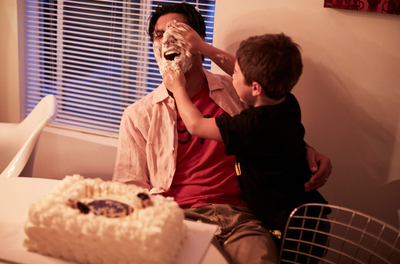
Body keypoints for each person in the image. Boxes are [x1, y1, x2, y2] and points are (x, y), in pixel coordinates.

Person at [112, 3, 332, 264]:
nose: (167, 40)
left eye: (179, 31)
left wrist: (307, 151)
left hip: (241, 215)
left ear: (196, 40)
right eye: (159, 35)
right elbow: (128, 188)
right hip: (178, 216)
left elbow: (271, 126)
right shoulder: (138, 115)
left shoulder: (235, 90)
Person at [164, 32, 331, 262]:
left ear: (255, 88)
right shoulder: (288, 103)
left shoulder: (249, 127)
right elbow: (248, 71)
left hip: (288, 226)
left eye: (235, 75)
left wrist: (178, 88)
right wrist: (203, 47)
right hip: (310, 216)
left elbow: (195, 124)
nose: (232, 76)